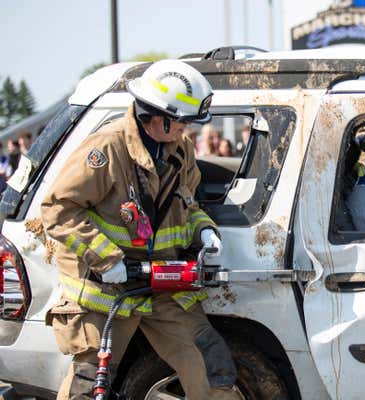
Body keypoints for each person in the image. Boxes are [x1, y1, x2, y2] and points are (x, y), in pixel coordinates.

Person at [41, 60, 240, 400]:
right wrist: (107, 259)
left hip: (161, 285)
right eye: (183, 122)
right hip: (106, 292)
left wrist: (202, 230)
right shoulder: (105, 150)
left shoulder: (181, 151)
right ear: (159, 116)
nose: (187, 130)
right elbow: (58, 211)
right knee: (89, 386)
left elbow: (188, 206)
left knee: (212, 367)